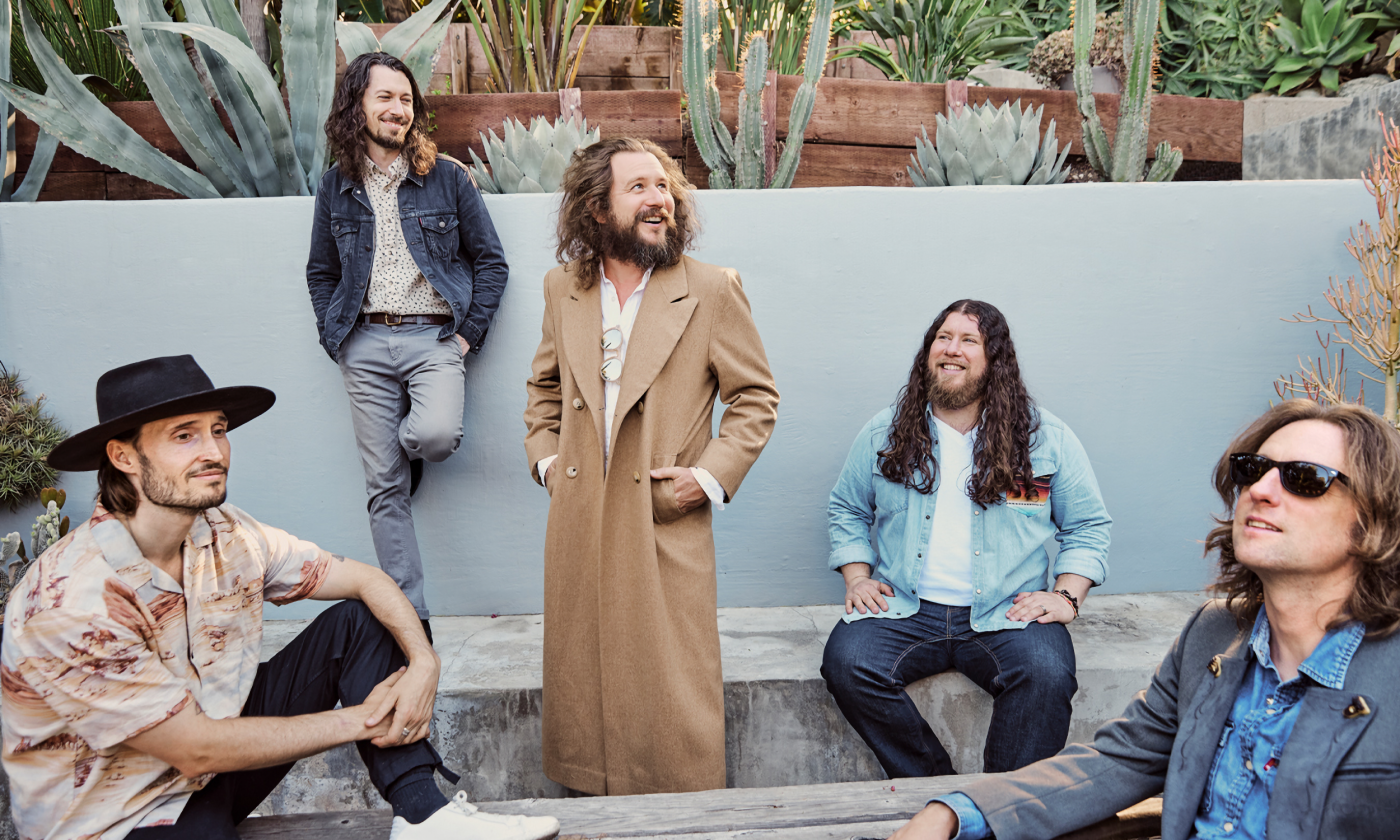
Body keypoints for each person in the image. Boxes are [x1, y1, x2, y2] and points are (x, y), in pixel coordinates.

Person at [2, 356, 557, 840]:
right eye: (183, 436)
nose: (214, 451)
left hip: (211, 772)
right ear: (124, 457)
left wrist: (424, 663)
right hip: (119, 818)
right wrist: (367, 718)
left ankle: (424, 817)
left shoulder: (223, 532)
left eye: (218, 431)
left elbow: (366, 579)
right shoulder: (73, 598)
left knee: (359, 621)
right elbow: (193, 748)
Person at [889, 399, 1400, 840]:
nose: (1262, 490)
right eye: (1252, 470)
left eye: (1304, 478)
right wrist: (956, 811)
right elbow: (1117, 760)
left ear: (1373, 519)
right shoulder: (1214, 634)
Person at [522, 138, 779, 795]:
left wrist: (710, 478)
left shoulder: (712, 289)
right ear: (597, 208)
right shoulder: (563, 288)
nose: (658, 198)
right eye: (638, 187)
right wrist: (549, 461)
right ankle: (592, 794)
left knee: (670, 681)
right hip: (581, 514)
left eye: (663, 186)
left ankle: (680, 808)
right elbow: (545, 388)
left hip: (661, 514)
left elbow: (754, 398)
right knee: (585, 675)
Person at [822, 300, 1112, 778]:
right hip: (909, 610)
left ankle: (1005, 809)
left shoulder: (1044, 438)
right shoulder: (885, 432)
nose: (951, 349)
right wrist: (858, 577)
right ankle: (937, 792)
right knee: (848, 663)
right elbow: (848, 509)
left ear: (993, 358)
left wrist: (1066, 597)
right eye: (943, 337)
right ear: (928, 351)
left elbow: (1087, 526)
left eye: (968, 340)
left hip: (1006, 611)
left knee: (1047, 674)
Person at [306, 52, 509, 639]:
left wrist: (469, 335)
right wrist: (334, 338)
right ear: (356, 107)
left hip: (433, 337)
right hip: (362, 339)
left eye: (405, 99)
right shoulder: (335, 187)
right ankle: (410, 617)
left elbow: (491, 262)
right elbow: (321, 272)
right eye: (384, 98)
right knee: (384, 488)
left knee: (435, 437)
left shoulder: (446, 176)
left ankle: (404, 450)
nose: (398, 110)